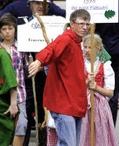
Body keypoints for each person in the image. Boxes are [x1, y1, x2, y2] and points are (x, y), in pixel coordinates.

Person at [28, 9, 90, 145]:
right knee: (68, 144)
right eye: (81, 24)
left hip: (74, 103)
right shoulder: (66, 38)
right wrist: (39, 61)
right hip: (64, 103)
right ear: (72, 24)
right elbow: (51, 49)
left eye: (87, 24)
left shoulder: (77, 42)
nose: (85, 27)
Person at [79, 33, 117, 146]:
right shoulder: (79, 63)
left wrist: (96, 87)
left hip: (99, 108)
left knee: (98, 136)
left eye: (90, 47)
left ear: (98, 48)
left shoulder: (105, 66)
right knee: (82, 135)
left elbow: (110, 93)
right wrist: (85, 83)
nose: (87, 50)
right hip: (81, 104)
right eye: (85, 47)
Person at [0, 14, 28, 146]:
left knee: (21, 126)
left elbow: (28, 67)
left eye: (10, 28)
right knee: (0, 129)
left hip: (20, 94)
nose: (7, 32)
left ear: (15, 29)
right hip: (0, 95)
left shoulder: (22, 48)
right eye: (4, 29)